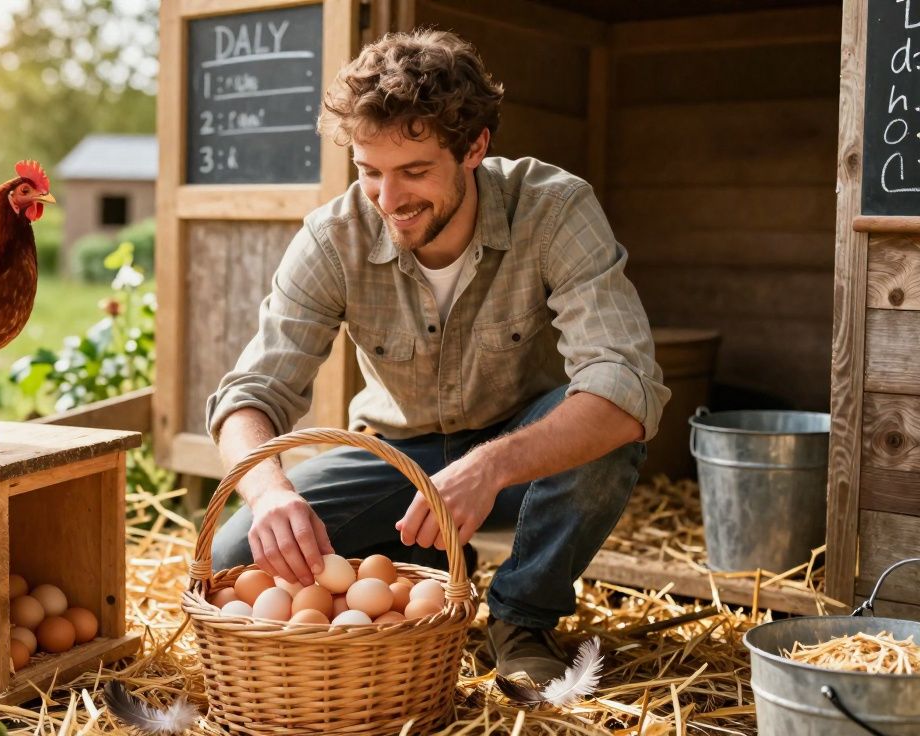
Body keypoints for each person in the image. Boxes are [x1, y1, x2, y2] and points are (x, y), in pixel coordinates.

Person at [206, 28, 669, 686]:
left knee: (606, 431)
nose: (389, 201)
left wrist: (490, 465)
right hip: (399, 457)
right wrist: (271, 491)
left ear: (474, 147)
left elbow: (626, 386)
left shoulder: (556, 208)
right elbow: (247, 394)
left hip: (523, 458)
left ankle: (521, 617)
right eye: (370, 172)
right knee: (241, 546)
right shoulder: (332, 236)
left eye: (414, 171)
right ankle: (431, 565)